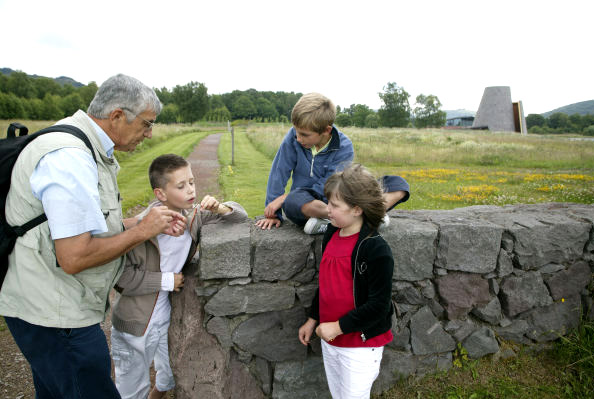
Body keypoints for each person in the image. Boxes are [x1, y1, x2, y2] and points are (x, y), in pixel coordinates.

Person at [0, 74, 186, 399]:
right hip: (56, 314)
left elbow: (85, 225)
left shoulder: (83, 145)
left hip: (47, 305)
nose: (150, 133)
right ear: (116, 115)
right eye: (146, 124)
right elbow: (73, 257)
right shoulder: (70, 158)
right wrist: (143, 230)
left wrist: (140, 222)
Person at [110, 153, 248, 399]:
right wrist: (168, 281)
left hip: (167, 318)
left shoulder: (193, 216)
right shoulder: (141, 229)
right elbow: (122, 279)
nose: (191, 190)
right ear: (160, 194)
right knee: (132, 388)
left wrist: (219, 207)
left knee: (169, 375)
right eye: (181, 186)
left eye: (192, 182)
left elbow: (240, 217)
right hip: (134, 323)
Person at [298, 164, 394, 399]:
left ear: (357, 209)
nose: (327, 209)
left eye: (335, 205)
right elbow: (327, 284)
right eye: (327, 202)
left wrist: (337, 327)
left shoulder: (375, 249)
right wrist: (314, 318)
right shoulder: (332, 233)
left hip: (359, 345)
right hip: (330, 340)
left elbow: (379, 306)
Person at [254, 92, 409, 234]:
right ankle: (358, 219)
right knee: (292, 201)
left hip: (337, 197)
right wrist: (274, 214)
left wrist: (284, 197)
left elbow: (328, 186)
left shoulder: (344, 146)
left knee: (398, 183)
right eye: (296, 131)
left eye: (304, 134)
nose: (298, 138)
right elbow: (279, 172)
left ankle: (351, 219)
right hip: (307, 203)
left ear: (326, 130)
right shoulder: (293, 138)